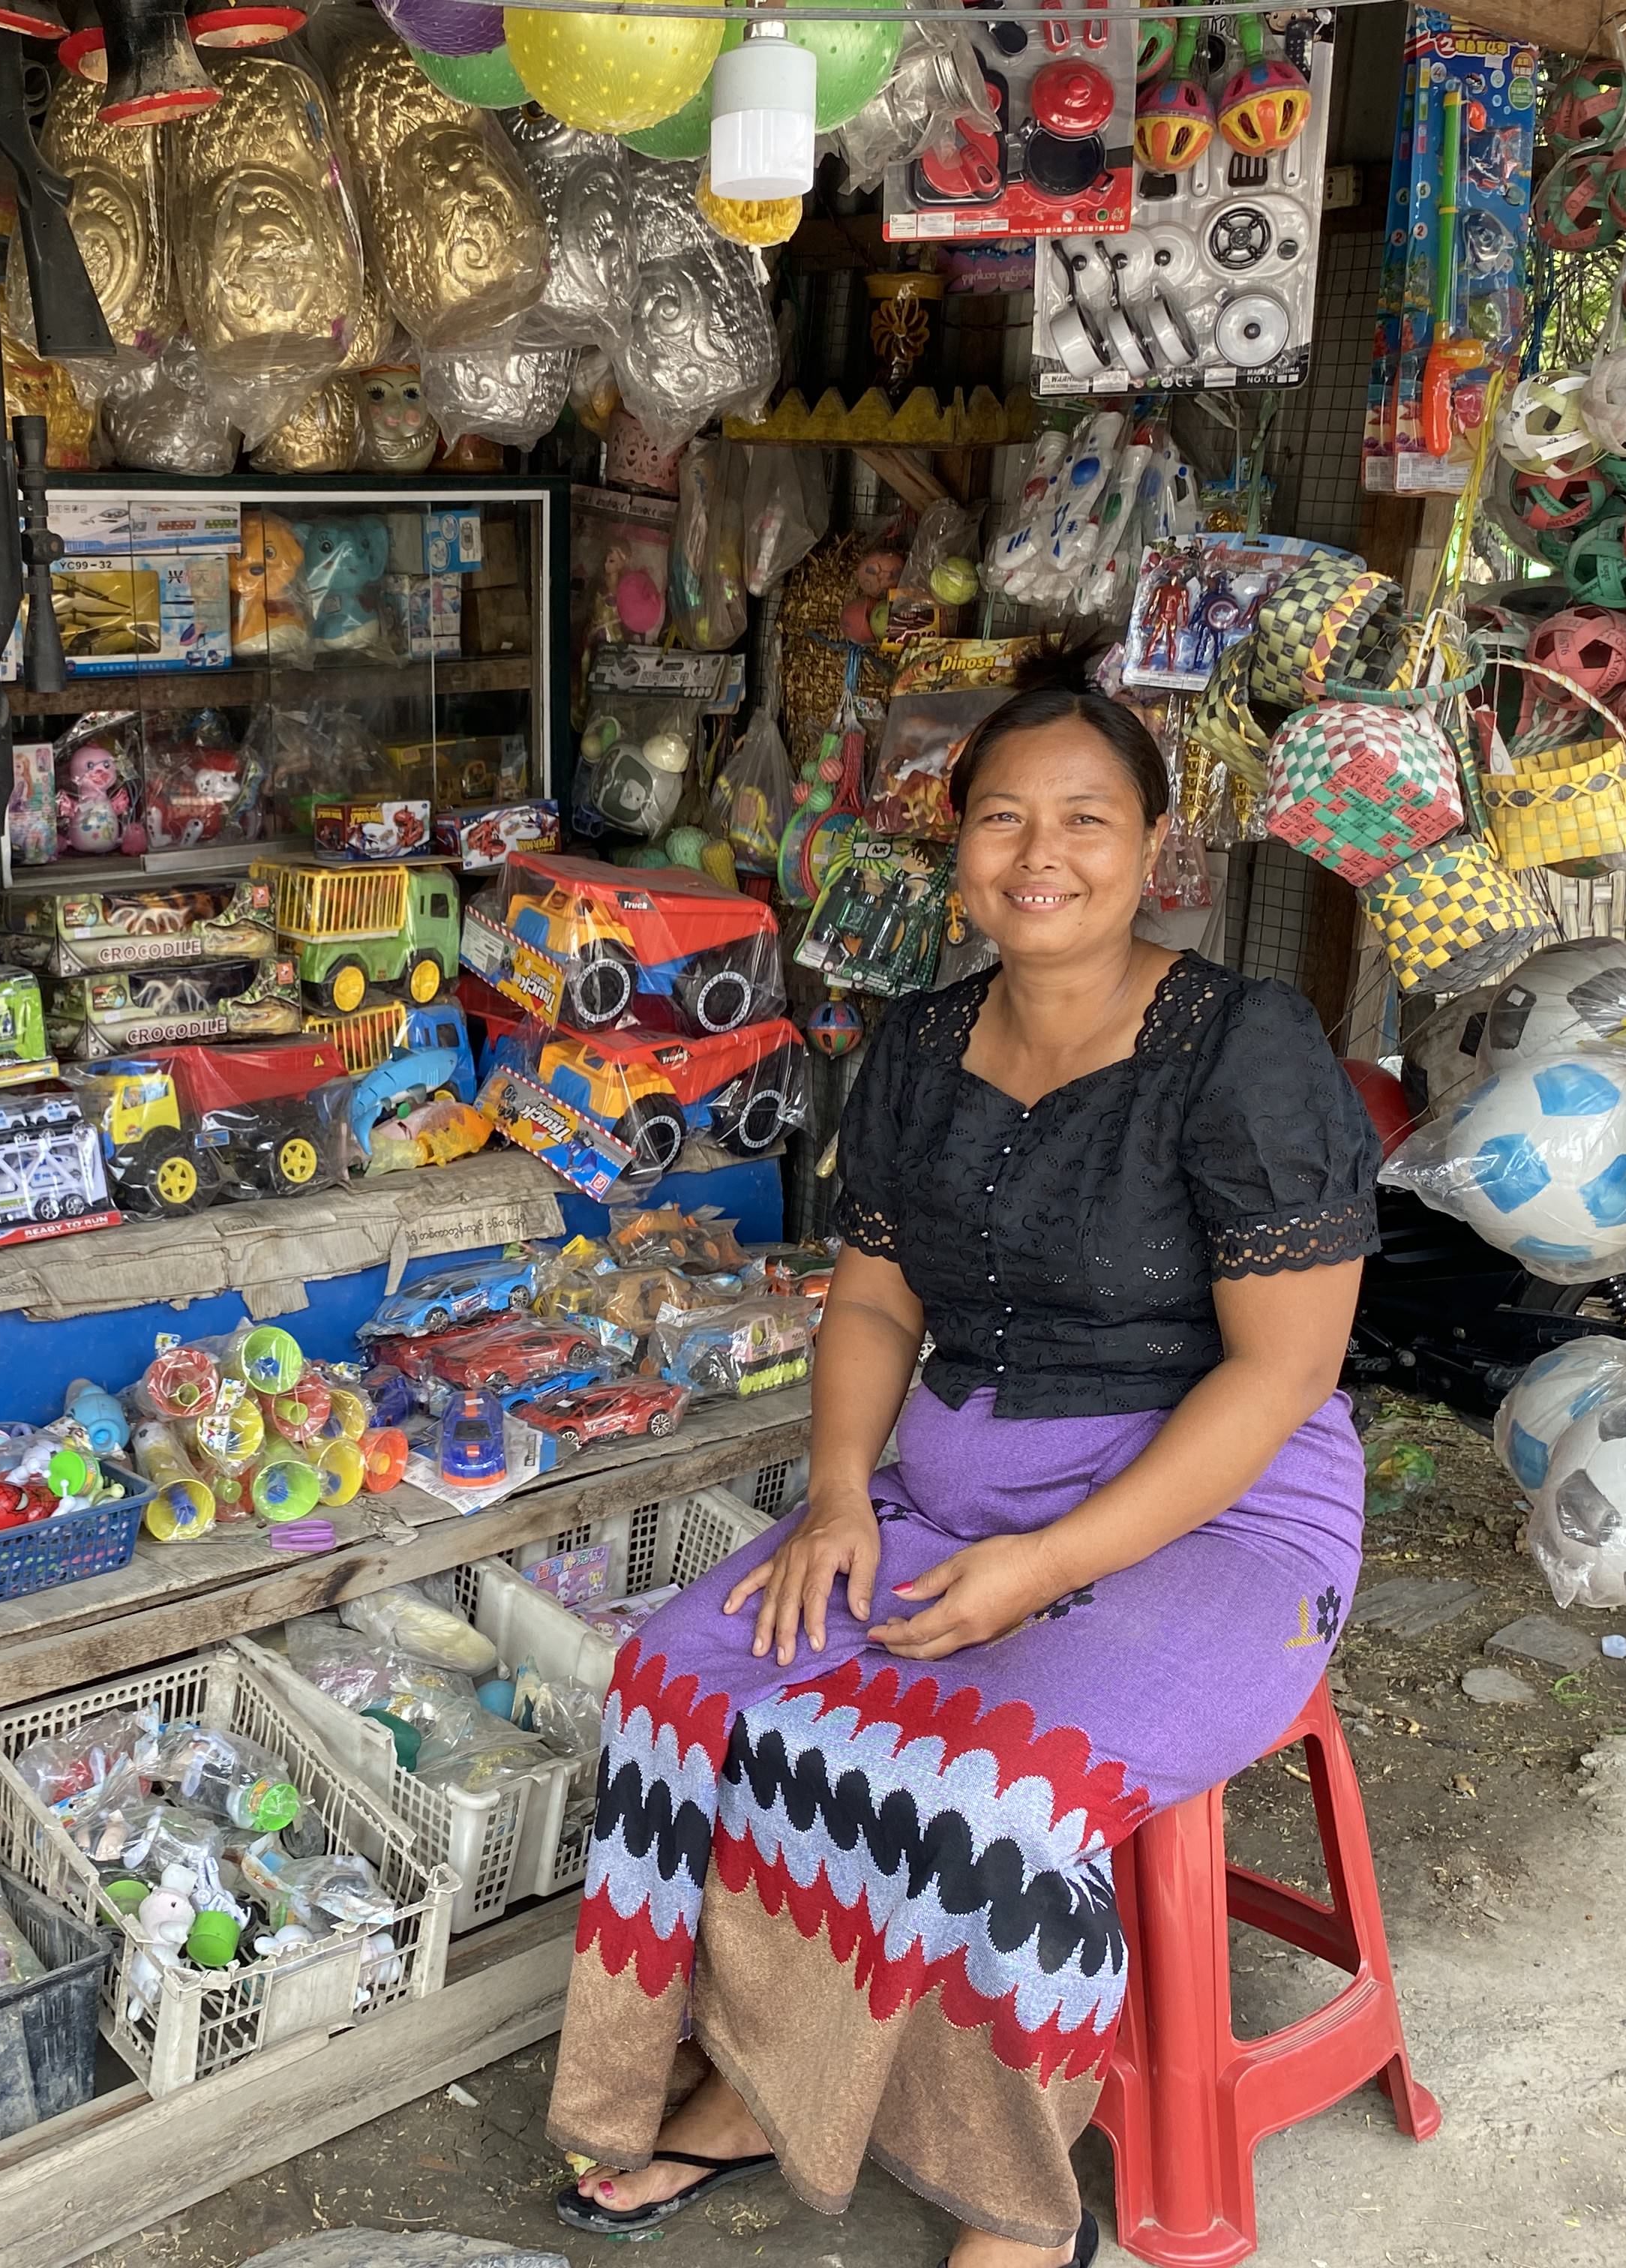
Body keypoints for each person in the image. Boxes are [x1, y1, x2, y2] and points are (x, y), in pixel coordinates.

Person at [547, 687, 1381, 2268]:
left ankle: (1012, 2198)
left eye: (1087, 820)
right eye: (1004, 818)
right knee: (681, 1684)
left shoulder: (1243, 1049)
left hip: (1215, 1517)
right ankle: (760, 2083)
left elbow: (1279, 1375)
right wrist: (839, 1495)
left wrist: (1050, 1567)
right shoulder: (921, 1045)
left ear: (1157, 846)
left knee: (984, 1791)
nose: (1040, 854)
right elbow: (874, 1302)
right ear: (959, 849)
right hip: (944, 1500)